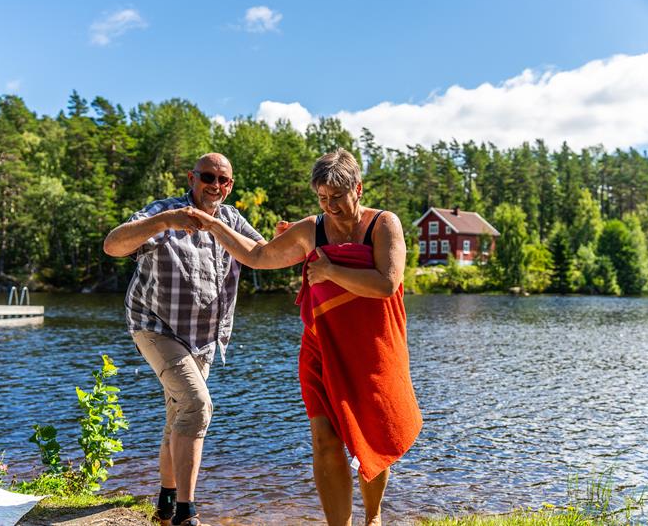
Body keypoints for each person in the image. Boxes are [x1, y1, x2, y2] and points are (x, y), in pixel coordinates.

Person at [189, 148, 422, 526]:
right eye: (322, 198)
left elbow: (386, 284)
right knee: (324, 437)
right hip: (322, 345)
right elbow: (259, 255)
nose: (330, 206)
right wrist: (215, 226)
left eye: (337, 197)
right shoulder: (311, 229)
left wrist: (329, 270)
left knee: (372, 433)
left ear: (358, 189)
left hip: (374, 348)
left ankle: (373, 517)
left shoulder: (383, 224)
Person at [103, 153, 265, 526]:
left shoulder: (231, 220)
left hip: (204, 338)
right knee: (196, 405)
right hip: (155, 327)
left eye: (225, 180)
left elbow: (261, 254)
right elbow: (112, 245)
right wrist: (164, 221)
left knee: (179, 415)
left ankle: (165, 499)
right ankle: (185, 513)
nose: (217, 186)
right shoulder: (164, 213)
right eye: (209, 176)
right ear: (192, 178)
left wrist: (294, 238)